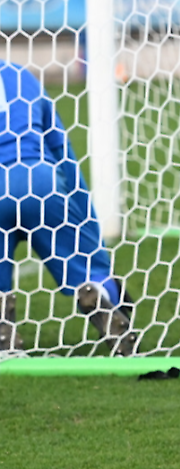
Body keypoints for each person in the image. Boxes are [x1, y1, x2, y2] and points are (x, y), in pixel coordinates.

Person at [0, 60, 135, 354]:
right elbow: (64, 157)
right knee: (84, 267)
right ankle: (99, 291)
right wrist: (90, 242)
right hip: (39, 177)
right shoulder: (22, 77)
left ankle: (3, 325)